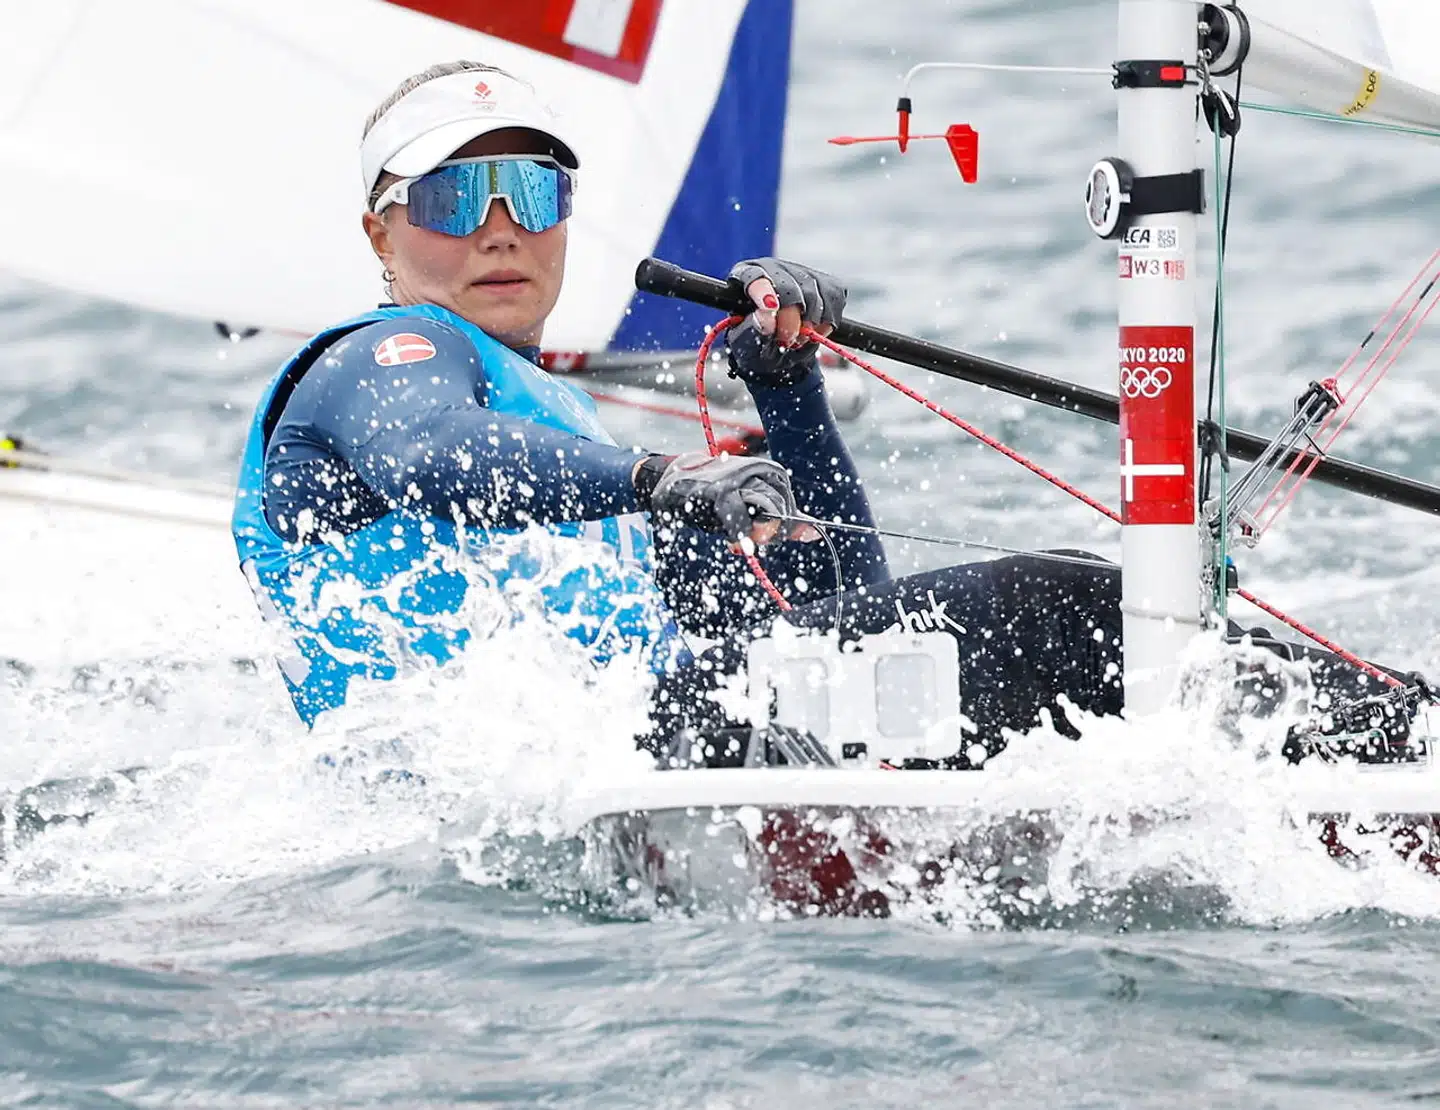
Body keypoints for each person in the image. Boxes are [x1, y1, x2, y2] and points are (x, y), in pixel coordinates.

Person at [232, 60, 1421, 766]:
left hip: (628, 739)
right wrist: (660, 481)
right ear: (381, 232)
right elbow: (432, 454)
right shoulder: (380, 359)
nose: (499, 224)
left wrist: (786, 389)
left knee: (1035, 628)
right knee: (1067, 605)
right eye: (454, 194)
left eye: (531, 189)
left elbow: (834, 601)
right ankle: (1408, 752)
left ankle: (1371, 754)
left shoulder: (560, 430)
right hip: (513, 768)